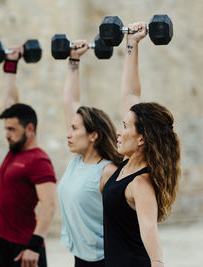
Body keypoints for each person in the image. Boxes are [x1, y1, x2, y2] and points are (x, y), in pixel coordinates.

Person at [102, 22, 181, 267]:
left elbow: (149, 229)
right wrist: (132, 44)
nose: (118, 131)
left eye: (125, 127)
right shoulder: (128, 165)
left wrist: (157, 263)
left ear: (141, 138)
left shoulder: (140, 182)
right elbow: (130, 94)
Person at [58, 40, 122, 267]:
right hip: (81, 259)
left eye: (74, 129)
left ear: (93, 135)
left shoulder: (107, 172)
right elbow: (70, 102)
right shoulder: (77, 162)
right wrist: (74, 60)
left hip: (105, 261)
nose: (69, 134)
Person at [0, 45, 57, 267]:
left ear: (29, 129)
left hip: (25, 248)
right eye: (5, 129)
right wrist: (11, 64)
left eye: (12, 130)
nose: (6, 135)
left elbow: (49, 205)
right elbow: (11, 103)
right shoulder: (16, 149)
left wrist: (33, 246)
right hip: (4, 242)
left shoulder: (38, 160)